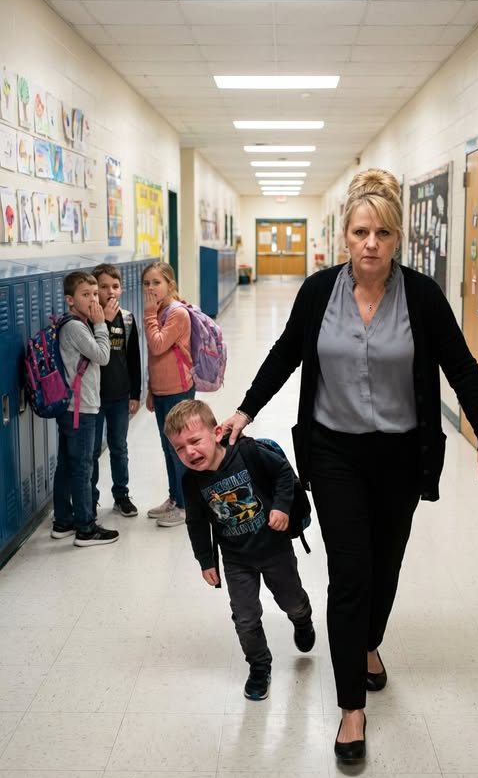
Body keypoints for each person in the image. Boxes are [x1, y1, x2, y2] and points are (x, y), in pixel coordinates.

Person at [224, 167, 478, 764]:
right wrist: (246, 409)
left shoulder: (422, 296)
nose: (370, 243)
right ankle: (352, 706)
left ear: (396, 237)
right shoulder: (319, 292)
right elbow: (285, 354)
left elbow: (460, 366)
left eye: (381, 233)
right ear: (345, 237)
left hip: (402, 453)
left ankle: (369, 642)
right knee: (351, 570)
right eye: (359, 232)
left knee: (385, 563)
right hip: (333, 452)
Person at [164, 399, 315, 701]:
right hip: (236, 559)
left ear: (216, 431)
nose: (189, 452)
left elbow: (285, 473)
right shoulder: (191, 481)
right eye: (179, 448)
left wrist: (282, 508)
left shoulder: (247, 453)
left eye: (194, 441)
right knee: (244, 617)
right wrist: (206, 560)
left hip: (275, 548)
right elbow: (196, 522)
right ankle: (259, 667)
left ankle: (302, 617)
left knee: (291, 600)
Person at [51, 271, 119, 546]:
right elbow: (102, 356)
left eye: (94, 294)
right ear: (70, 300)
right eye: (85, 295)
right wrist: (102, 324)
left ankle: (63, 521)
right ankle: (86, 529)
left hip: (71, 407)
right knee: (81, 468)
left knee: (67, 464)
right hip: (81, 408)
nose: (93, 300)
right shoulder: (77, 327)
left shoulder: (74, 323)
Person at [142, 262, 195, 527]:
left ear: (170, 285)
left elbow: (158, 344)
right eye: (147, 283)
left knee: (180, 449)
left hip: (178, 389)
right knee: (167, 447)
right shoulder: (159, 311)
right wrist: (151, 390)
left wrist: (150, 315)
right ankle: (174, 498)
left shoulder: (176, 313)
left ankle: (186, 506)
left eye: (156, 283)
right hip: (162, 389)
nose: (150, 289)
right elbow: (153, 358)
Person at [91, 264, 141, 519]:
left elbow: (134, 359)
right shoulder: (89, 320)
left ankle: (121, 495)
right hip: (93, 399)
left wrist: (136, 394)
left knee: (119, 447)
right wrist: (106, 323)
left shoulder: (129, 318)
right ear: (94, 289)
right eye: (103, 286)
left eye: (115, 286)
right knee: (91, 451)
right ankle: (90, 498)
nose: (110, 291)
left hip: (120, 396)